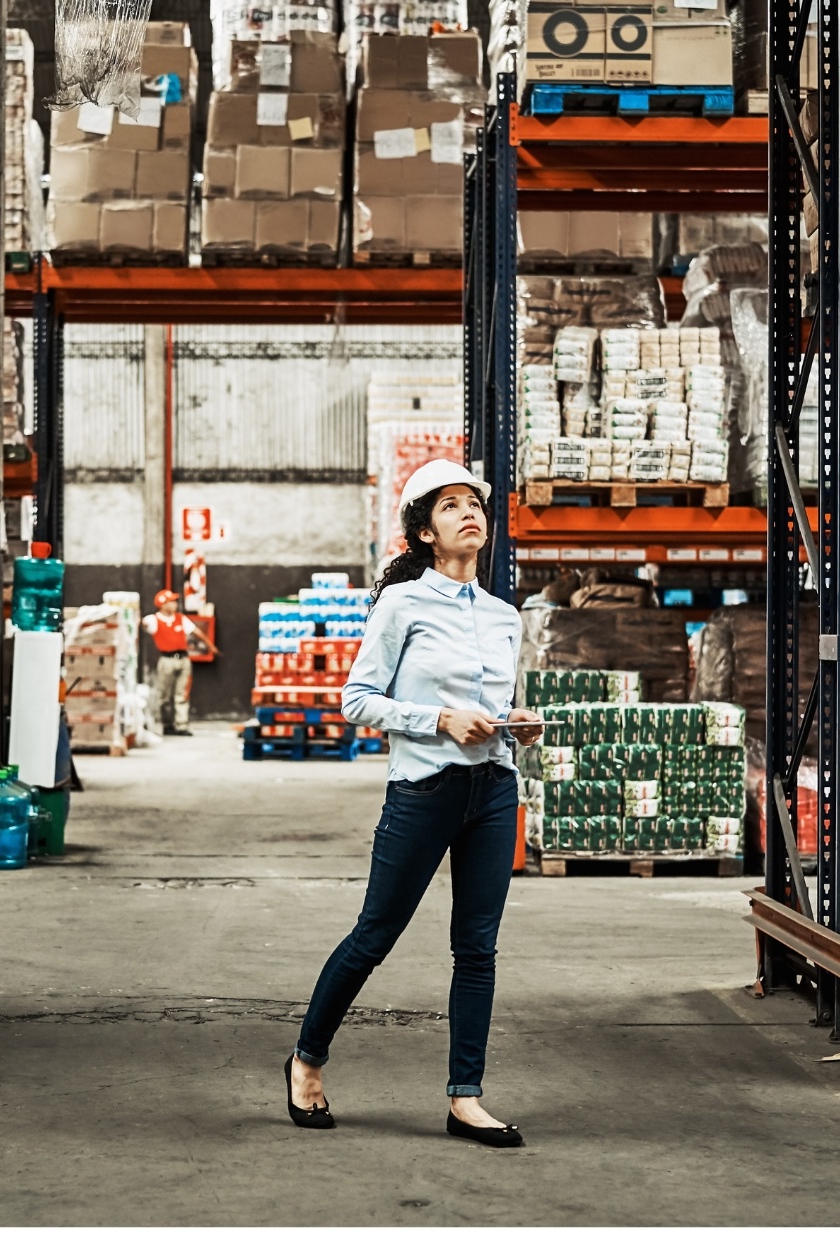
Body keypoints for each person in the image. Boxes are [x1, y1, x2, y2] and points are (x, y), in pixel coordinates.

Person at [282, 459, 543, 1148]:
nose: (469, 513)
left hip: (493, 789)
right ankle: (306, 1061)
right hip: (423, 790)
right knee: (375, 936)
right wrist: (439, 720)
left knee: (477, 949)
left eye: (474, 503)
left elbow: (486, 707)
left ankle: (466, 1098)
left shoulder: (503, 616)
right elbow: (357, 701)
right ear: (425, 531)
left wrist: (515, 719)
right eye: (450, 505)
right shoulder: (401, 605)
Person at [141, 589, 213, 736]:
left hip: (183, 659)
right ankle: (167, 724)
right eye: (171, 602)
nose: (174, 604)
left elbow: (196, 632)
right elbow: (143, 624)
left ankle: (181, 725)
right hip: (166, 659)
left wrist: (210, 645)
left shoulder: (180, 618)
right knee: (165, 695)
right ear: (162, 604)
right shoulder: (153, 619)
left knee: (182, 694)